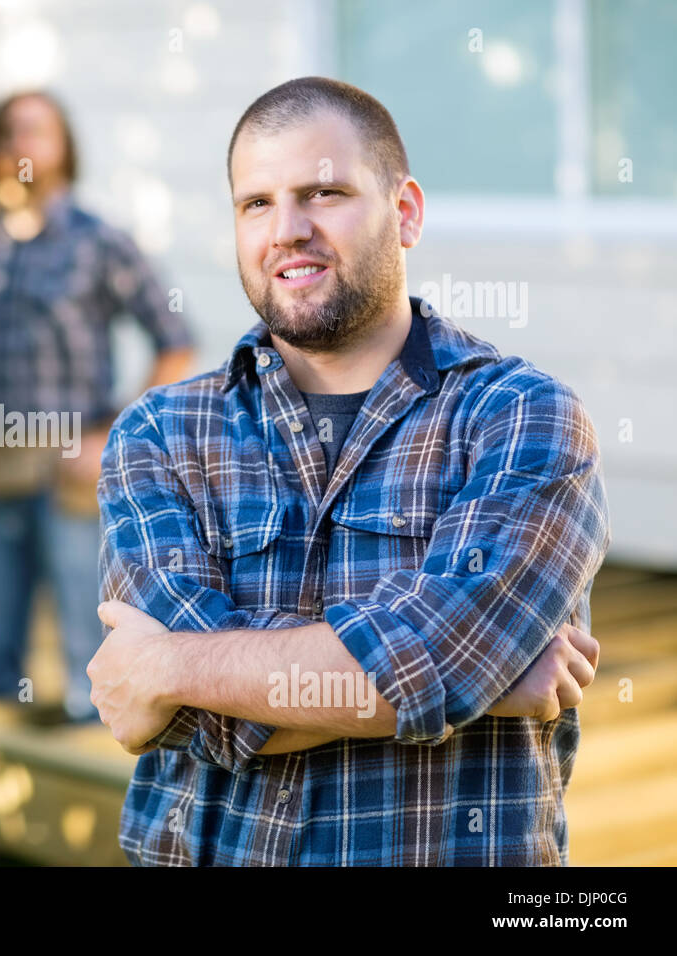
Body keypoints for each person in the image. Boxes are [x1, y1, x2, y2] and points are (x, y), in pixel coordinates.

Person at [87, 77, 610, 864]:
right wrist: (479, 686)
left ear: (405, 212)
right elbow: (177, 718)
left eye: (323, 192)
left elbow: (434, 657)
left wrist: (167, 668)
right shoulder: (161, 435)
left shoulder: (521, 419)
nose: (287, 230)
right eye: (256, 203)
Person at [0, 91, 194, 724]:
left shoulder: (100, 243)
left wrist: (111, 443)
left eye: (37, 131)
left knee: (86, 663)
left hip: (72, 474)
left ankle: (90, 770)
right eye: (8, 133)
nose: (20, 146)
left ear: (64, 150)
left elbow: (176, 341)